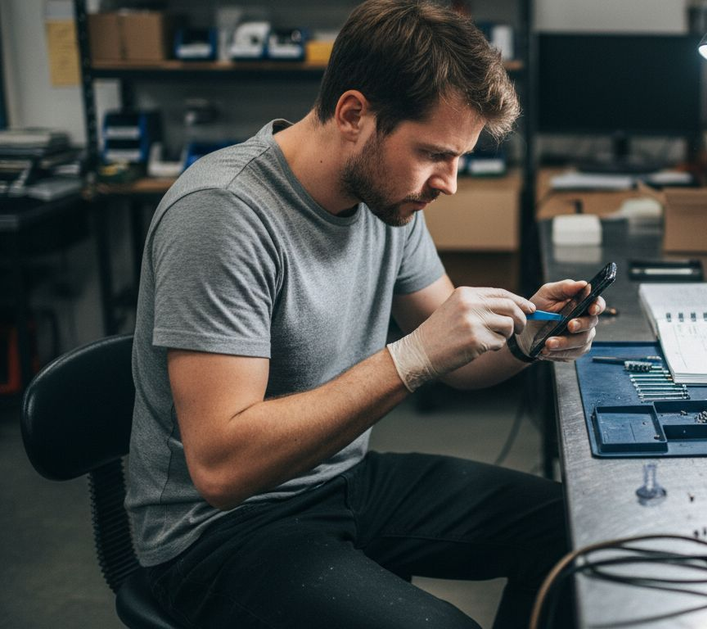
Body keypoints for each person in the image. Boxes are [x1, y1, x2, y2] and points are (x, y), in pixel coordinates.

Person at [124, 1, 602, 627]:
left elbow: (456, 363)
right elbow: (221, 467)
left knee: (577, 535)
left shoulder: (388, 200)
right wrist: (414, 355)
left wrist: (525, 339)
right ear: (353, 114)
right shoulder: (224, 214)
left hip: (336, 481)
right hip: (218, 532)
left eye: (459, 158)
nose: (449, 183)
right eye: (435, 153)